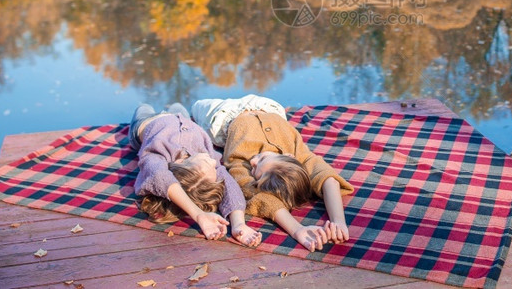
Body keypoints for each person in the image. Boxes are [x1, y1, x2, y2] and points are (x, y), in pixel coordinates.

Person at [191, 95, 354, 251]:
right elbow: (328, 179)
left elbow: (258, 196)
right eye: (262, 158)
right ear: (288, 157)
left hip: (222, 116)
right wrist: (338, 221)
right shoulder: (296, 152)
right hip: (268, 106)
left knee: (196, 106)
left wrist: (297, 229)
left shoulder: (239, 162)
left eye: (255, 170)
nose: (253, 162)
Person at [128, 102, 261, 247]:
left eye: (207, 163)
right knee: (178, 105)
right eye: (213, 165)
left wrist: (198, 214)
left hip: (145, 123)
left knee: (143, 106)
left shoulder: (156, 156)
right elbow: (230, 188)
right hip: (183, 118)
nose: (214, 162)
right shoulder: (208, 158)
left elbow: (159, 176)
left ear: (182, 164)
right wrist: (238, 224)